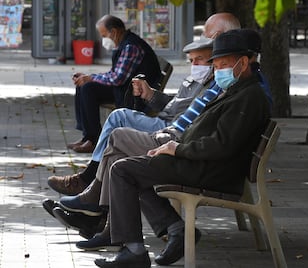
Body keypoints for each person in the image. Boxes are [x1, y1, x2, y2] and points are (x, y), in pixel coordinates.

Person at [44, 28, 273, 248]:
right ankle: (131, 233)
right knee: (122, 163)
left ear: (244, 63)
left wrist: (176, 148)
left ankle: (116, 229)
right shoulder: (236, 89)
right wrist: (175, 143)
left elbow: (221, 144)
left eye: (222, 65)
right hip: (194, 156)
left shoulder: (247, 96)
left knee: (125, 166)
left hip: (204, 167)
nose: (216, 70)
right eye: (215, 65)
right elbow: (203, 126)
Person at [46, 12, 242, 196]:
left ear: (219, 36)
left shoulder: (225, 81)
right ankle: (96, 209)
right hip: (172, 129)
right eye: (193, 60)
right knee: (116, 151)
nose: (198, 64)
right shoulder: (213, 74)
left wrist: (176, 146)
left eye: (201, 58)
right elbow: (181, 106)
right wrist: (150, 95)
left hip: (177, 138)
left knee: (118, 129)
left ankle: (89, 183)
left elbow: (204, 128)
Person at [69, 14, 162, 154]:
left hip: (133, 94)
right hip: (125, 88)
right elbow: (116, 74)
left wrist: (91, 78)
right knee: (84, 85)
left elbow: (117, 78)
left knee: (88, 87)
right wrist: (89, 77)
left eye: (104, 35)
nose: (104, 39)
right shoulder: (124, 43)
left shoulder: (131, 46)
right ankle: (88, 136)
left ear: (114, 32)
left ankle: (93, 140)